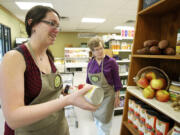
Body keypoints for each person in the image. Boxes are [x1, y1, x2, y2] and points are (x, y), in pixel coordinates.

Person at [0, 5, 98, 135]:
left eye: (58, 26)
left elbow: (52, 89)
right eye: (52, 23)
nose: (57, 30)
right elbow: (13, 118)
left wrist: (71, 90)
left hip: (58, 128)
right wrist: (67, 100)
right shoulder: (15, 58)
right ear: (32, 24)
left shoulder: (48, 56)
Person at [86, 36, 123, 135]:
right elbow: (88, 82)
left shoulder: (111, 62)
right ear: (92, 51)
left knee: (106, 123)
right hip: (96, 97)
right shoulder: (90, 64)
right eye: (96, 50)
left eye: (101, 48)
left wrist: (117, 97)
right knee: (98, 120)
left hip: (108, 97)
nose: (99, 51)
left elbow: (117, 81)